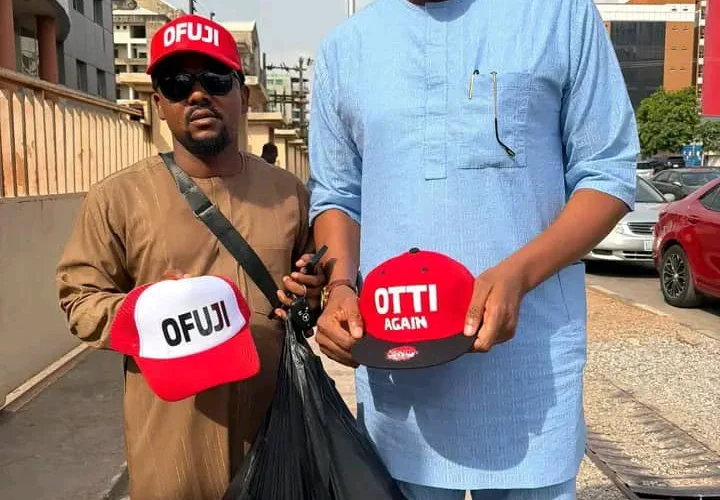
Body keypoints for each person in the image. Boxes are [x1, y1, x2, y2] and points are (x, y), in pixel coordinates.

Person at [308, 0, 638, 498]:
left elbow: (607, 174)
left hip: (528, 379)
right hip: (400, 387)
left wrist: (519, 274)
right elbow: (337, 196)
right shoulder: (344, 49)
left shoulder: (558, 14)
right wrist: (338, 287)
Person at [56, 14, 323, 500]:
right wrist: (146, 310)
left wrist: (308, 294)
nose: (198, 95)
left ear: (244, 96)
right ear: (159, 104)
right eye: (177, 84)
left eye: (215, 79)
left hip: (277, 434)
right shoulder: (118, 198)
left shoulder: (289, 194)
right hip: (172, 450)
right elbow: (80, 300)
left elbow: (313, 289)